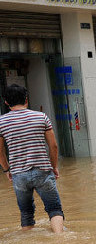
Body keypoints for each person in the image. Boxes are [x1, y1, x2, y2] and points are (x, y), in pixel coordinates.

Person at [0, 84, 65, 233]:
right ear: (26, 99)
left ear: (6, 103)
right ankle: (60, 240)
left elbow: (0, 153)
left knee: (26, 213)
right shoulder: (41, 117)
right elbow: (53, 146)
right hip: (43, 171)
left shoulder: (1, 122)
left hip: (19, 174)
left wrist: (7, 170)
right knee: (54, 209)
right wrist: (53, 167)